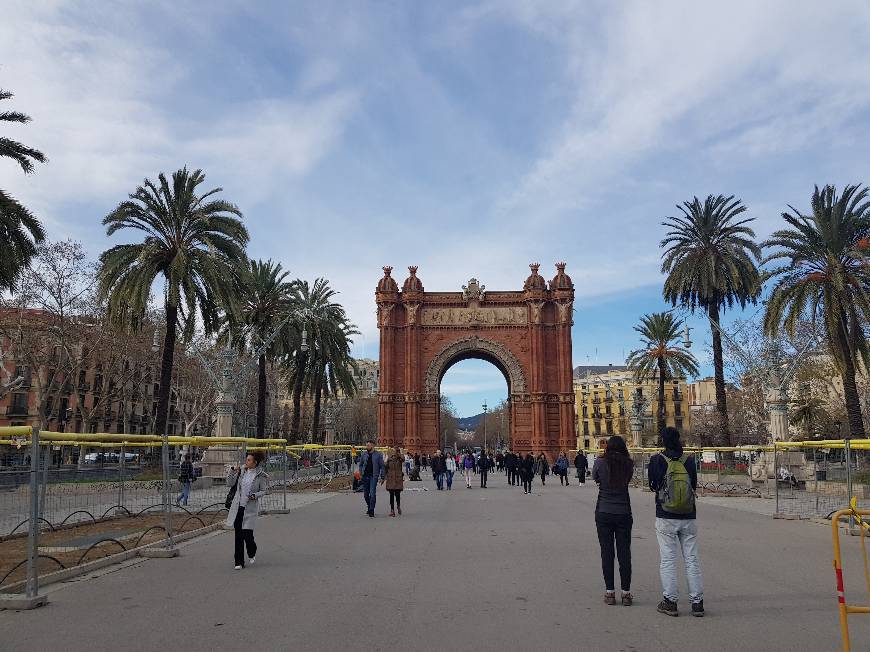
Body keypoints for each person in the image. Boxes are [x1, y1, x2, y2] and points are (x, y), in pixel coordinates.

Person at [648, 427, 704, 617]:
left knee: (668, 559)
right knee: (692, 559)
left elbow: (653, 485)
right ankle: (697, 603)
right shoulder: (689, 460)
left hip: (665, 515)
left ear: (663, 440)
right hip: (688, 515)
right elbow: (694, 485)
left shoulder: (656, 460)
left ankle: (670, 602)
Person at [592, 436, 634, 606]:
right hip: (624, 512)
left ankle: (610, 593)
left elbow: (596, 478)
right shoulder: (628, 464)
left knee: (607, 553)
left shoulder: (600, 462)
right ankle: (626, 593)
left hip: (604, 511)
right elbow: (627, 480)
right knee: (625, 553)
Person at [226, 451, 269, 570]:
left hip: (250, 509)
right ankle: (238, 561)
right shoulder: (241, 471)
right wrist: (232, 470)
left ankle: (252, 550)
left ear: (255, 463)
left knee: (248, 535)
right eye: (247, 459)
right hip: (239, 507)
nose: (246, 461)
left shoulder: (261, 476)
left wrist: (255, 495)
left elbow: (264, 491)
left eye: (249, 460)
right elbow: (229, 483)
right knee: (238, 535)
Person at [358, 440, 385, 517]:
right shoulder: (364, 454)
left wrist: (382, 477)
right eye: (366, 445)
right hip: (365, 476)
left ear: (373, 446)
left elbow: (382, 466)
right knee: (366, 495)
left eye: (368, 445)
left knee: (372, 494)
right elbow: (360, 464)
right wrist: (360, 473)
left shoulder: (378, 455)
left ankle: (371, 510)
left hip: (373, 476)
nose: (367, 447)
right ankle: (369, 505)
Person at [383, 446, 404, 517]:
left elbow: (403, 459)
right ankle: (392, 510)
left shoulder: (399, 458)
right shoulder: (389, 458)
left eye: (394, 450)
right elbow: (385, 466)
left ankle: (398, 506)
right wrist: (386, 458)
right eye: (392, 450)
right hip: (391, 478)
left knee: (397, 495)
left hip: (398, 479)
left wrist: (400, 453)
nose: (393, 452)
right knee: (391, 495)